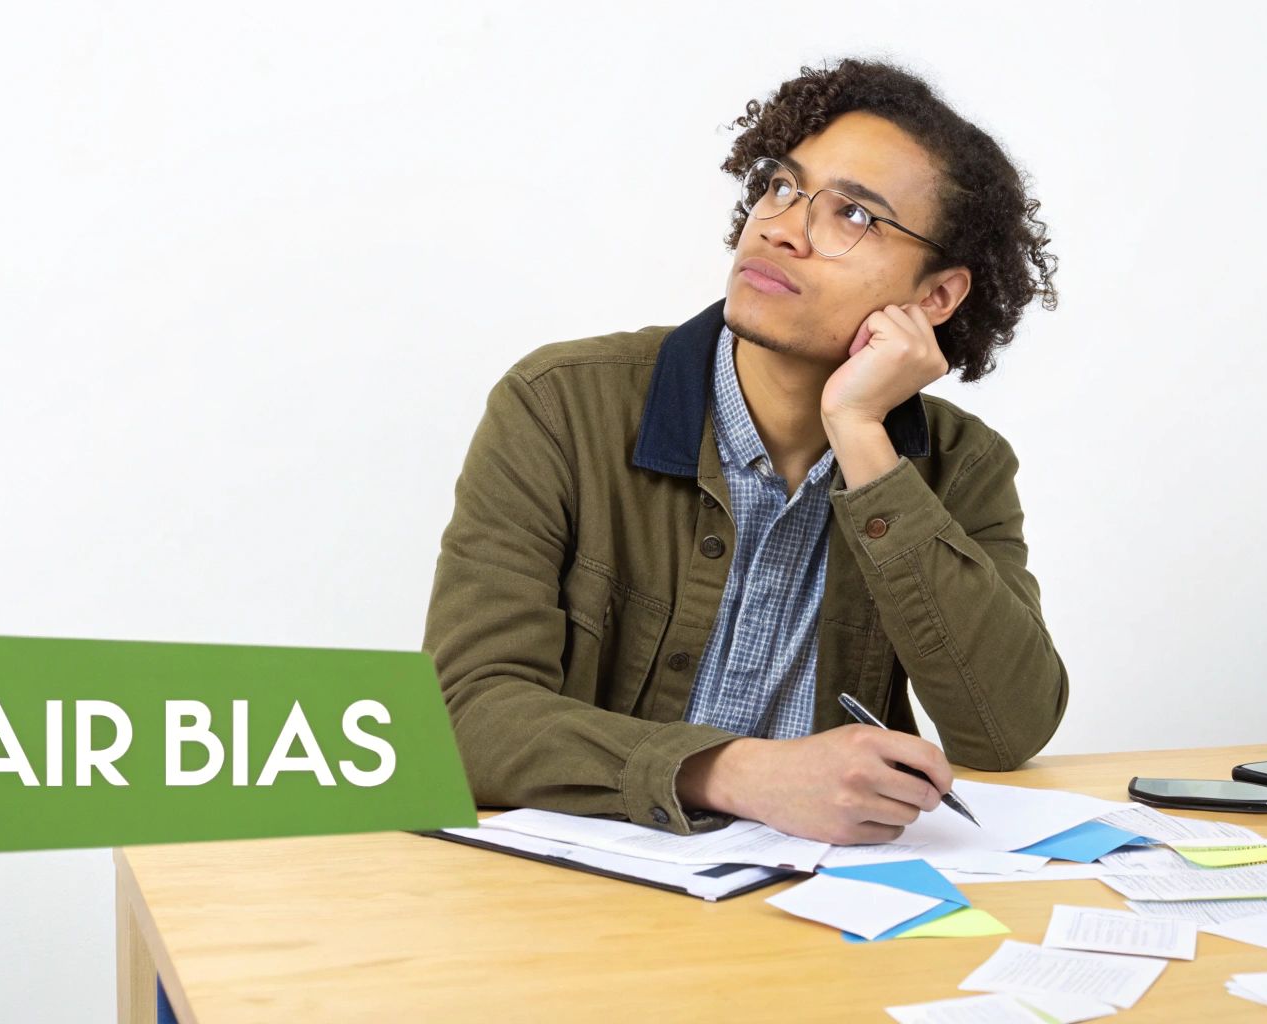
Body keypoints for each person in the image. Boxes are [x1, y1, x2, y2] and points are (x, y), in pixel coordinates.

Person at [422, 57, 1066, 845]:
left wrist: (864, 439)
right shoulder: (561, 404)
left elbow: (1004, 730)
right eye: (782, 185)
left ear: (935, 297)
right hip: (574, 890)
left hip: (821, 897)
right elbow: (464, 714)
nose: (781, 227)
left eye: (853, 215)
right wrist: (737, 775)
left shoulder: (962, 466)